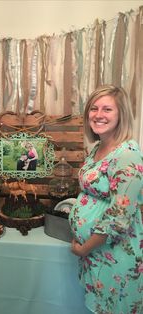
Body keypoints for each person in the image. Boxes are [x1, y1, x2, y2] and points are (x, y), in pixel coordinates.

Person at [68, 85, 143, 314]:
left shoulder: (127, 153)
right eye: (94, 108)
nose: (98, 114)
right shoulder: (98, 147)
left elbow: (119, 217)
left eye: (107, 109)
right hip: (97, 254)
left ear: (121, 114)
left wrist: (84, 249)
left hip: (116, 253)